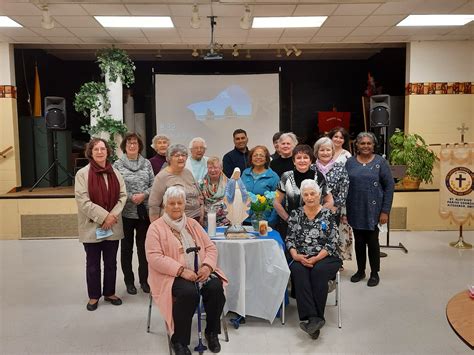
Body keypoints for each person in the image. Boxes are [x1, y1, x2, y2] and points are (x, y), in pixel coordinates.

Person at [146, 186, 227, 355]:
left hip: (199, 271)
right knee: (189, 293)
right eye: (172, 203)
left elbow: (210, 248)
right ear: (165, 205)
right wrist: (181, 270)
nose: (176, 206)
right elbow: (154, 258)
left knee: (215, 288)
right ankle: (180, 341)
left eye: (179, 203)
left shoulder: (192, 224)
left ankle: (212, 332)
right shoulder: (155, 228)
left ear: (184, 205)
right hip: (170, 275)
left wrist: (207, 266)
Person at [75, 138, 127, 311]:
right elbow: (83, 201)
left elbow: (122, 196)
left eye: (102, 149)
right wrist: (104, 217)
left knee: (111, 262)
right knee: (92, 264)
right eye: (96, 149)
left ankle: (110, 292)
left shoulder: (115, 172)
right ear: (90, 152)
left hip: (112, 226)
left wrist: (111, 217)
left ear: (107, 151)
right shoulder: (82, 174)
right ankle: (94, 295)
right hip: (92, 227)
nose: (99, 152)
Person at [286, 179, 342, 339]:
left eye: (313, 194)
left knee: (318, 271)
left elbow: (333, 240)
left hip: (326, 256)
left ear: (319, 195)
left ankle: (313, 319)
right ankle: (313, 319)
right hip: (301, 255)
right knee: (298, 271)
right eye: (306, 194)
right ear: (302, 196)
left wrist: (316, 258)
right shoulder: (296, 214)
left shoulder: (327, 214)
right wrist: (296, 255)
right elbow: (289, 238)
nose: (310, 197)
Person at [346, 132, 394, 287]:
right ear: (357, 146)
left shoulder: (381, 162)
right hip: (355, 208)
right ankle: (360, 271)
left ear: (373, 145)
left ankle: (374, 273)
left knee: (373, 242)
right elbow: (344, 186)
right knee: (359, 242)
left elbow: (389, 187)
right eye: (362, 143)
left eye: (369, 143)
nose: (366, 146)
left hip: (374, 210)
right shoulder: (350, 163)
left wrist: (385, 211)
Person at [113, 133, 154, 295]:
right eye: (129, 143)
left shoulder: (147, 164)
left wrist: (143, 195)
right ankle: (129, 282)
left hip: (144, 213)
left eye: (135, 143)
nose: (132, 146)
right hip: (125, 213)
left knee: (143, 249)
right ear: (124, 146)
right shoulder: (117, 165)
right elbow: (116, 187)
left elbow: (154, 184)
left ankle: (144, 280)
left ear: (139, 146)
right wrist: (130, 197)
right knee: (126, 249)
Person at [273, 144, 333, 241]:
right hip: (290, 227)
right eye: (298, 158)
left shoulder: (319, 176)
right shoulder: (286, 177)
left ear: (310, 161)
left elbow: (330, 201)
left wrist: (317, 217)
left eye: (305, 157)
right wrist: (289, 219)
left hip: (315, 227)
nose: (302, 160)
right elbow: (276, 202)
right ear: (294, 161)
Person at [313, 137, 351, 260]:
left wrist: (335, 207)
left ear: (332, 151)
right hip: (313, 210)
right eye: (322, 150)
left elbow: (344, 188)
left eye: (328, 150)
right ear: (316, 152)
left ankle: (334, 263)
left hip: (335, 210)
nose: (325, 153)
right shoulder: (311, 168)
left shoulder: (340, 167)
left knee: (333, 237)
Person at [148, 144, 203, 223]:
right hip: (174, 222)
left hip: (195, 220)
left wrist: (201, 213)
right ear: (169, 159)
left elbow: (199, 196)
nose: (181, 158)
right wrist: (156, 227)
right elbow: (154, 205)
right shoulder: (161, 177)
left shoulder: (188, 172)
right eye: (177, 155)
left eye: (183, 155)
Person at [241, 145, 279, 227]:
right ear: (251, 158)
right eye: (255, 155)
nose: (258, 158)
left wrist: (270, 221)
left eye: (261, 155)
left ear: (266, 159)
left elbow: (277, 201)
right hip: (245, 219)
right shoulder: (245, 173)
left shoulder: (273, 176)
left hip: (264, 221)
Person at [199, 157, 229, 227]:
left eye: (215, 167)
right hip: (207, 221)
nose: (212, 170)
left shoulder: (229, 183)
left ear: (221, 168)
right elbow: (201, 203)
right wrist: (201, 217)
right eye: (210, 168)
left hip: (225, 221)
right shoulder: (201, 184)